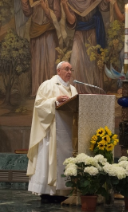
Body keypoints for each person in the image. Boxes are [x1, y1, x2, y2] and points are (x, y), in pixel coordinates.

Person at [27, 61, 78, 202]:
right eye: (66, 69)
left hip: (68, 133)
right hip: (52, 132)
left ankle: (64, 190)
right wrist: (54, 101)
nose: (69, 72)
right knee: (50, 159)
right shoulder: (47, 85)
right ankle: (48, 191)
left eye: (71, 70)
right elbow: (39, 105)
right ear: (58, 71)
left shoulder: (73, 90)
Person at [62, 0, 110, 94]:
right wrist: (64, 5)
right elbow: (72, 21)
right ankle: (77, 91)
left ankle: (94, 89)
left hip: (94, 31)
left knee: (92, 63)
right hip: (80, 32)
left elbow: (104, 7)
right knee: (76, 61)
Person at [21, 0, 62, 96]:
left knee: (51, 63)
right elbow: (28, 13)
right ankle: (38, 92)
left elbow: (57, 16)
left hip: (50, 32)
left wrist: (46, 10)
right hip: (35, 32)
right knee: (37, 64)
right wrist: (24, 3)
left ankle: (52, 92)